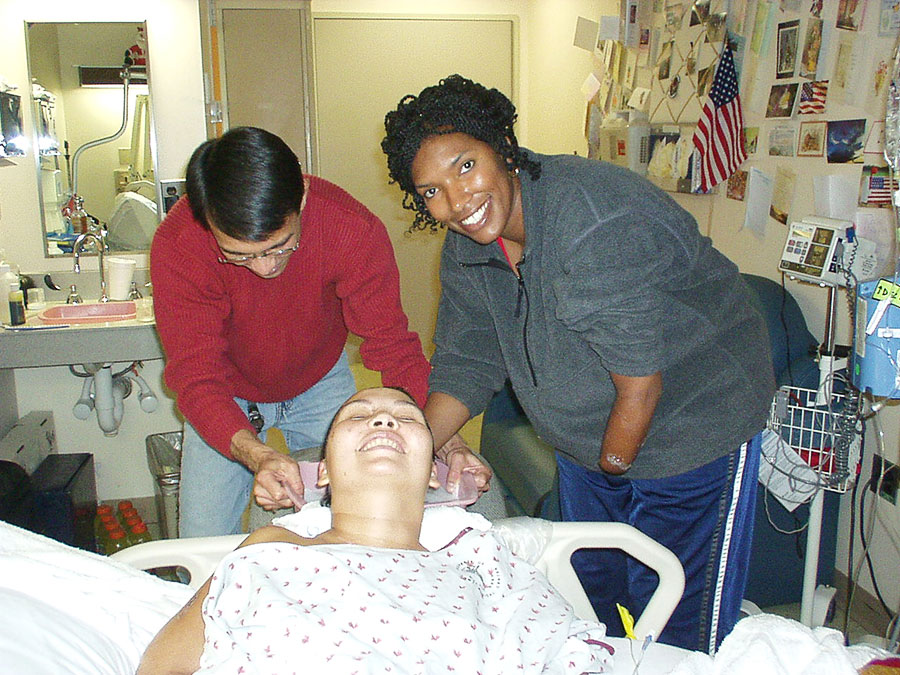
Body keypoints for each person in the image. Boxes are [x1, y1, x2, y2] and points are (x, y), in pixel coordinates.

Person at [381, 74, 775, 652]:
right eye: (431, 190)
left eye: (465, 167)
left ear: (502, 147)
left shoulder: (592, 220)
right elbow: (468, 359)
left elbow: (639, 387)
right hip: (591, 440)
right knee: (593, 598)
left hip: (692, 425)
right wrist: (410, 457)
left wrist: (610, 467)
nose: (456, 202)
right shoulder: (469, 245)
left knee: (674, 617)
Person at [137, 387, 612, 674]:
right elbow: (166, 665)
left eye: (407, 417)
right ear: (321, 472)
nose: (383, 418)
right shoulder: (272, 547)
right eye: (358, 416)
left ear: (433, 470)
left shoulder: (481, 560)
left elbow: (566, 650)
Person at [151, 126, 437, 538]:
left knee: (354, 523)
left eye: (280, 246)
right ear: (207, 220)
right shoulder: (180, 244)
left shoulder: (349, 227)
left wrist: (440, 437)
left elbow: (392, 345)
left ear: (301, 198)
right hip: (224, 388)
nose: (265, 268)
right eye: (238, 256)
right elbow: (197, 376)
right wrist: (256, 454)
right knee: (204, 536)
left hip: (320, 377)